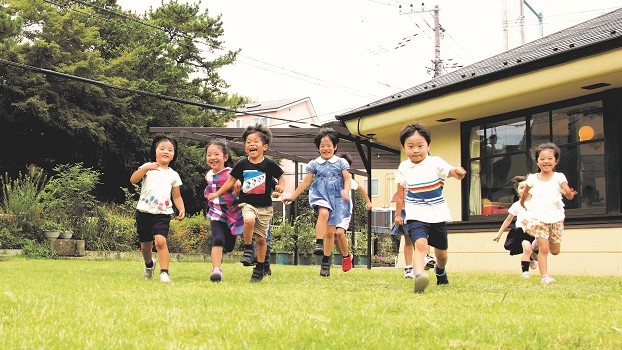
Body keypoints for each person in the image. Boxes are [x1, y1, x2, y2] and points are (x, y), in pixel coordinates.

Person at [394, 123, 466, 293]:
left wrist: (458, 172)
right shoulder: (403, 167)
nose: (416, 150)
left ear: (428, 146)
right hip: (415, 214)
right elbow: (400, 193)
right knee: (420, 244)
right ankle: (419, 277)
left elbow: (451, 171)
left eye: (420, 146)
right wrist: (398, 215)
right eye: (411, 146)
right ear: (404, 148)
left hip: (437, 214)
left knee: (441, 254)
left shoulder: (435, 162)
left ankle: (440, 271)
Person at [207, 124, 285, 282]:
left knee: (262, 239)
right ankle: (248, 249)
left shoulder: (269, 164)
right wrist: (217, 193)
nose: (251, 144)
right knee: (249, 220)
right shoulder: (242, 164)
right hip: (247, 203)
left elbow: (281, 177)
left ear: (265, 146)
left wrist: (280, 187)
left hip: (265, 206)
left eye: (255, 141)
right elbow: (230, 181)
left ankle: (260, 266)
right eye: (248, 142)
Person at [282, 127, 351, 277]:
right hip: (320, 194)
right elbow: (305, 182)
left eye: (329, 145)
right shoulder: (314, 164)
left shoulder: (341, 162)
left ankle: (326, 263)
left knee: (331, 233)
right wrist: (292, 196)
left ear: (335, 147)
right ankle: (318, 242)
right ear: (318, 148)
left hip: (337, 198)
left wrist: (346, 190)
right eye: (322, 146)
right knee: (324, 212)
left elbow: (347, 178)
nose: (325, 148)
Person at [130, 135, 185, 284]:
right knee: (145, 247)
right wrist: (146, 168)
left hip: (163, 213)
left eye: (170, 149)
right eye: (162, 148)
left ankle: (164, 273)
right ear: (155, 151)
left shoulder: (174, 175)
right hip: (144, 212)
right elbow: (133, 180)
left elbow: (177, 196)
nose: (166, 151)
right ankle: (149, 265)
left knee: (161, 241)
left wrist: (181, 209)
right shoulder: (147, 168)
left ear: (174, 154)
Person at [519, 142, 577, 285]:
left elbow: (569, 194)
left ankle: (533, 248)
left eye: (550, 158)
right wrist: (523, 206)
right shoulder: (532, 179)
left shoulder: (559, 177)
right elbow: (524, 195)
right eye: (542, 158)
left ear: (556, 161)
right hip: (537, 217)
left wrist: (568, 194)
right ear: (537, 161)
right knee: (544, 248)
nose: (546, 161)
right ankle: (545, 277)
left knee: (555, 250)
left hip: (555, 216)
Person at [203, 141, 243, 283]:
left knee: (229, 245)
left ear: (225, 157)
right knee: (218, 239)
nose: (212, 157)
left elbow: (237, 184)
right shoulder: (208, 175)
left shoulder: (231, 174)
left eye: (216, 154)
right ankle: (216, 270)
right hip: (216, 212)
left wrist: (237, 189)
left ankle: (222, 254)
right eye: (209, 155)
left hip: (233, 214)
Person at [492, 175, 538, 278]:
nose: (524, 189)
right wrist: (499, 233)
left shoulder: (537, 203)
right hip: (521, 232)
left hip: (535, 232)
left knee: (537, 255)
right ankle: (525, 272)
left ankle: (532, 257)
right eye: (521, 187)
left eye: (526, 187)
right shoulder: (516, 205)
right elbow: (508, 220)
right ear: (517, 191)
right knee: (526, 247)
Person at [333, 153, 372, 272]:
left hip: (345, 210)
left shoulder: (348, 179)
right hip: (333, 210)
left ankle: (345, 258)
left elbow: (361, 189)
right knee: (334, 238)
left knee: (340, 233)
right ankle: (347, 255)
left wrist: (368, 202)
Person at [390, 190, 436, 279]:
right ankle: (409, 268)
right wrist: (398, 215)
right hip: (407, 211)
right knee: (408, 240)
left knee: (424, 237)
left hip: (421, 210)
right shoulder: (404, 179)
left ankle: (426, 257)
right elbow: (399, 196)